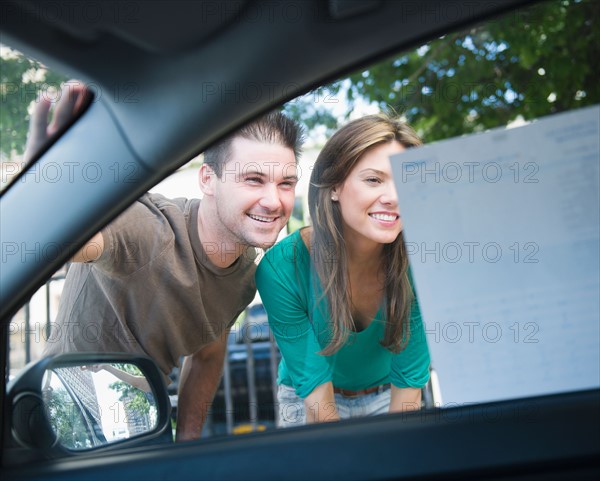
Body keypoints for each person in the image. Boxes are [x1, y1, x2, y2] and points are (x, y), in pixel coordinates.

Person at [36, 83, 304, 441]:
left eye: (286, 183)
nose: (273, 201)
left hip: (147, 422)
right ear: (209, 179)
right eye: (253, 180)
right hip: (71, 415)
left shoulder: (244, 276)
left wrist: (186, 443)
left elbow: (208, 355)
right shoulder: (148, 227)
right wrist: (46, 180)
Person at [256, 113, 430, 426]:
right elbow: (320, 407)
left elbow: (408, 392)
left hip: (388, 392)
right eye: (374, 179)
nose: (393, 197)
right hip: (306, 398)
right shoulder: (282, 268)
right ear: (335, 186)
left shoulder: (423, 260)